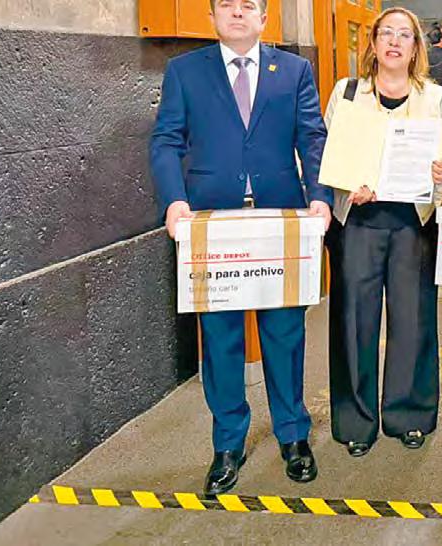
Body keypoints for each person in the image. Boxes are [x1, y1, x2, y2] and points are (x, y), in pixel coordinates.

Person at [150, 0, 332, 494]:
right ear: (212, 17)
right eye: (226, 5)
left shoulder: (293, 70)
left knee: (284, 334)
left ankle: (293, 434)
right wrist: (174, 200)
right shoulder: (186, 72)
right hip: (212, 225)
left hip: (280, 221)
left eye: (247, 5)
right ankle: (228, 443)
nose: (237, 12)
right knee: (221, 338)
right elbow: (166, 140)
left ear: (264, 18)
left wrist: (319, 196)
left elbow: (312, 137)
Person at [323, 7, 442, 457]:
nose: (395, 42)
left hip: (411, 223)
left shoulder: (434, 98)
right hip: (358, 222)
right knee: (353, 322)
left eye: (405, 35)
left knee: (412, 320)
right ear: (374, 43)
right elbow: (329, 158)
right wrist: (348, 185)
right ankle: (355, 421)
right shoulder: (347, 93)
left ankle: (409, 414)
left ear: (416, 47)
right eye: (387, 34)